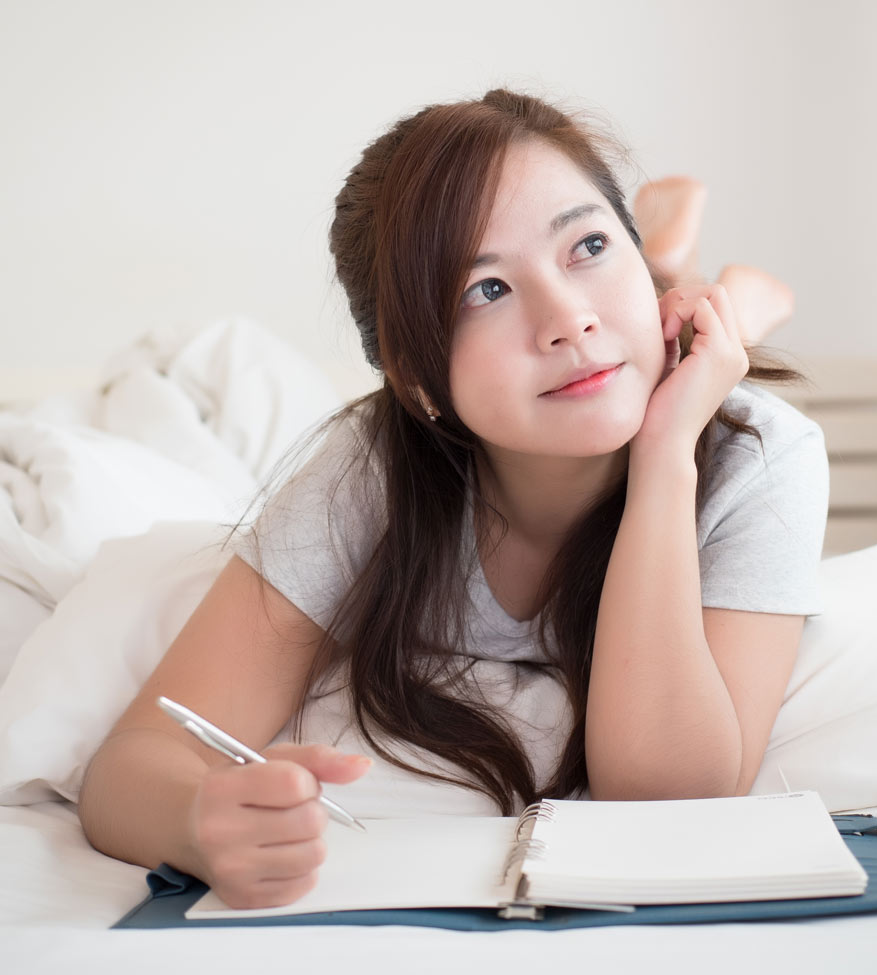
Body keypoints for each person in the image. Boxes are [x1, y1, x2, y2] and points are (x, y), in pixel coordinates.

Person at [78, 89, 828, 910]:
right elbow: (131, 766)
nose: (568, 319)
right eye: (486, 291)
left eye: (588, 243)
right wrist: (199, 821)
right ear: (417, 381)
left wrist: (663, 454)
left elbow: (669, 798)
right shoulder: (373, 469)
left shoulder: (759, 451)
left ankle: (696, 272)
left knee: (733, 320)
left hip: (679, 371)